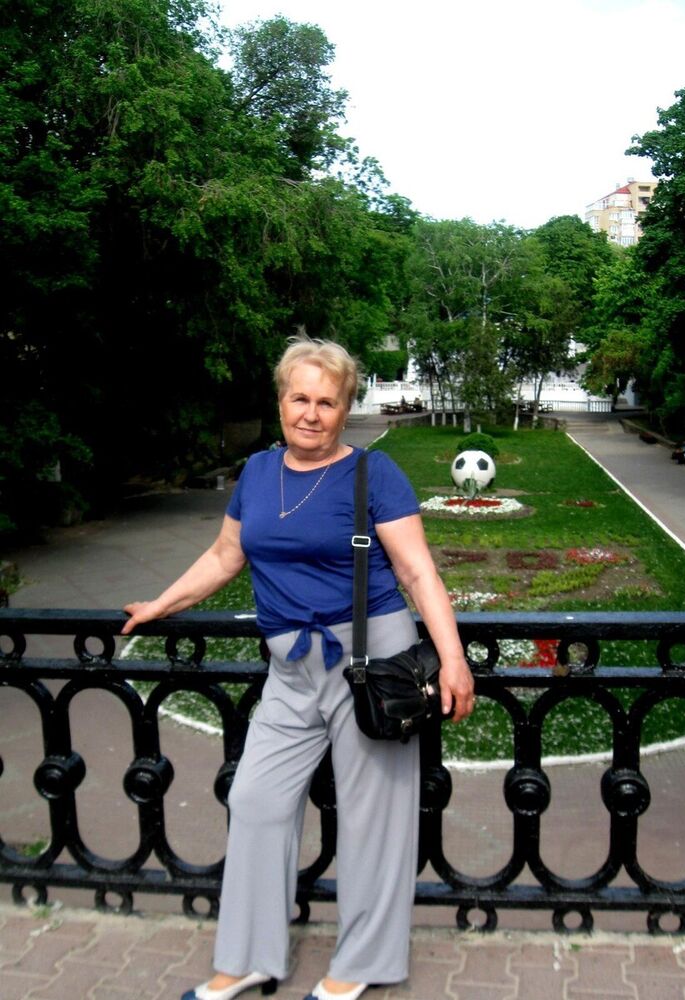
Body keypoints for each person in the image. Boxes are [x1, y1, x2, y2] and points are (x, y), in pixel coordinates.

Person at [121, 336, 474, 1000]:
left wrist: (452, 660)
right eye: (299, 398)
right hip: (290, 669)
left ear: (345, 408)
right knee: (255, 800)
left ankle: (362, 963)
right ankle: (250, 957)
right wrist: (161, 604)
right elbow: (225, 556)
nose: (311, 413)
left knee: (373, 818)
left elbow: (417, 571)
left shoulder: (373, 474)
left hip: (371, 660)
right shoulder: (257, 473)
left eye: (327, 402)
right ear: (280, 401)